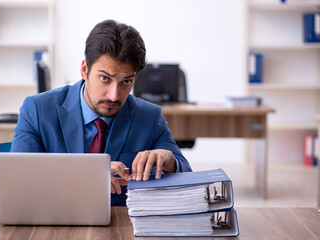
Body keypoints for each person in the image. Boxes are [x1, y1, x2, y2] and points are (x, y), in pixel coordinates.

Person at [11, 19, 192, 206]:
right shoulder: (38, 110)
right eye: (105, 78)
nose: (114, 95)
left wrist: (168, 159)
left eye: (126, 82)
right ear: (84, 70)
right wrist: (87, 177)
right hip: (55, 221)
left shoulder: (149, 117)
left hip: (120, 228)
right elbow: (19, 181)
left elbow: (187, 176)